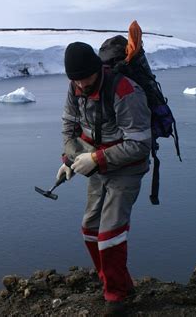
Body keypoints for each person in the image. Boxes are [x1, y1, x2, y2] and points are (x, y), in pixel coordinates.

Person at [58, 42, 151, 315]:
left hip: (127, 167)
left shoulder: (124, 91)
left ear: (98, 69)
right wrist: (69, 161)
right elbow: (70, 129)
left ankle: (116, 297)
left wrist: (96, 160)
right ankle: (117, 282)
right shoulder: (75, 87)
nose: (81, 84)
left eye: (85, 77)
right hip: (95, 164)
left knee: (110, 232)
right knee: (90, 228)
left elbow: (140, 144)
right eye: (75, 79)